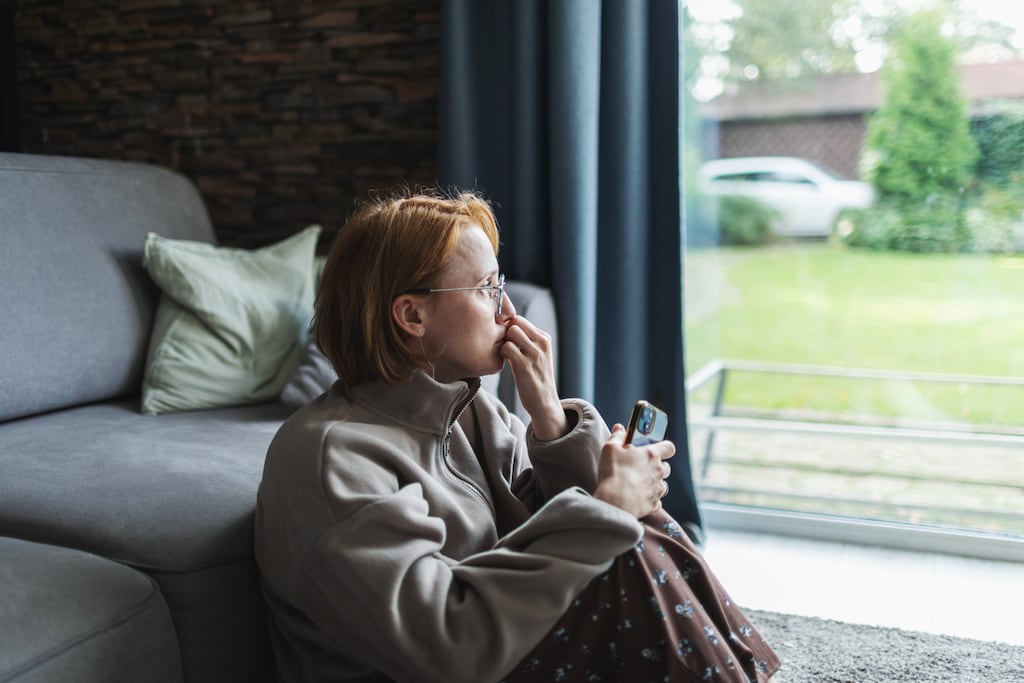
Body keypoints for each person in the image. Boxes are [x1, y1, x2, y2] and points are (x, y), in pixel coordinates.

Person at [254, 188, 780, 682]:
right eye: (487, 289)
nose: (509, 312)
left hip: (501, 648)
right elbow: (448, 642)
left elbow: (543, 525)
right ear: (412, 315)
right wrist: (610, 509)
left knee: (634, 522)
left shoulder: (470, 408)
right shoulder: (334, 457)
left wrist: (550, 418)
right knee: (624, 537)